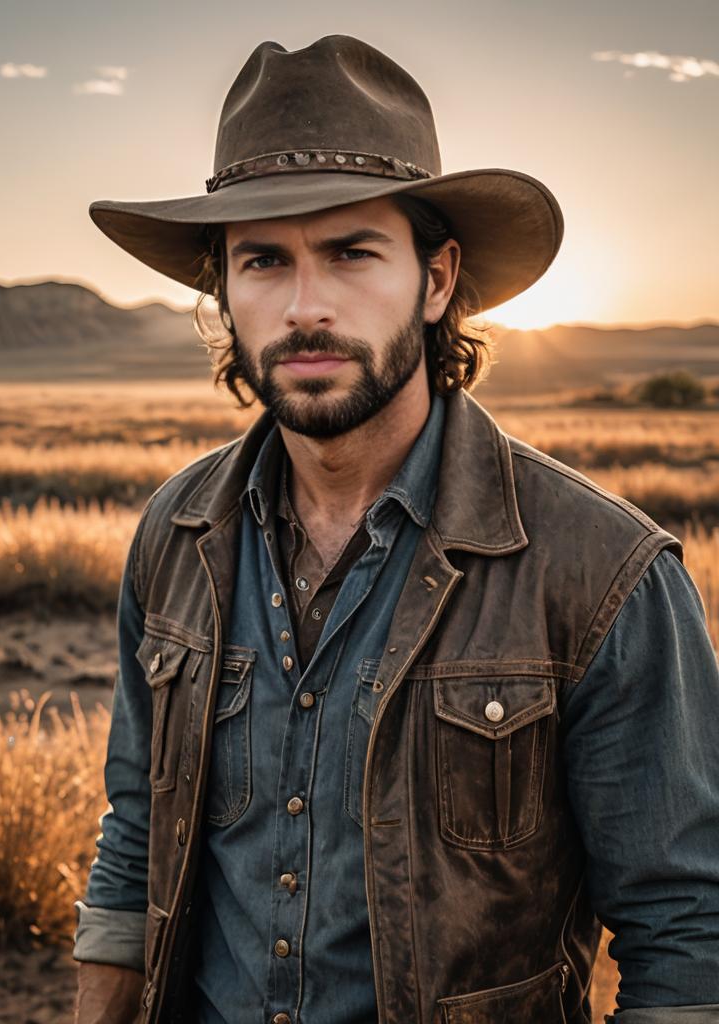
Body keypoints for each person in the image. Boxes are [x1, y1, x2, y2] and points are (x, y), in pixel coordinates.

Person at [72, 34, 719, 1024]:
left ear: (437, 277)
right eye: (262, 261)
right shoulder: (176, 534)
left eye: (351, 252)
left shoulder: (603, 575)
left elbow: (684, 935)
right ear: (223, 293)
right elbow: (132, 849)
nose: (304, 305)